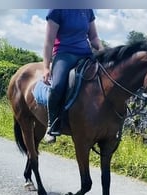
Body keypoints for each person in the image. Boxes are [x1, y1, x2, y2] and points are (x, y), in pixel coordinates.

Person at [42, 9, 104, 143]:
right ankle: (51, 125)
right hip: (64, 53)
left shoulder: (87, 10)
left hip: (86, 54)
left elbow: (93, 37)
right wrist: (46, 67)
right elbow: (49, 41)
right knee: (57, 86)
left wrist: (102, 49)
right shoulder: (56, 9)